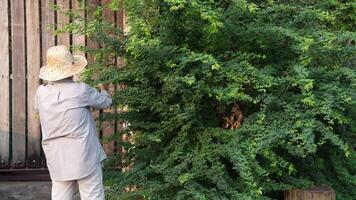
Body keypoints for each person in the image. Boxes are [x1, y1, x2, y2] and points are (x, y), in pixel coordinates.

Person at [34, 45, 112, 200]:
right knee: (93, 196)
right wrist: (104, 89)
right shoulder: (81, 90)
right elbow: (105, 102)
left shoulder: (41, 92)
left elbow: (38, 109)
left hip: (57, 156)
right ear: (72, 68)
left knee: (61, 196)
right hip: (84, 154)